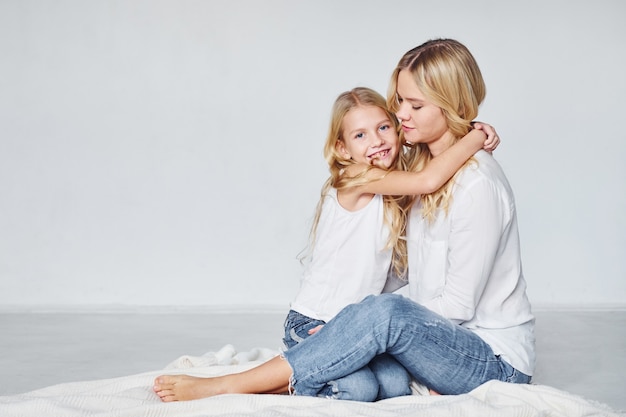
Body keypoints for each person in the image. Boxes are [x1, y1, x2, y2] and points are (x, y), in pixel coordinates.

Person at [153, 37, 528, 402]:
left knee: (383, 316)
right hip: (430, 340)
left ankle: (230, 386)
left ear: (451, 105)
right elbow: (413, 271)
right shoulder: (414, 174)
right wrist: (358, 326)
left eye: (415, 105)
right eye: (399, 101)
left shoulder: (475, 185)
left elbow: (456, 307)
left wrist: (360, 322)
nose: (399, 115)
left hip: (490, 359)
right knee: (383, 378)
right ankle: (286, 373)